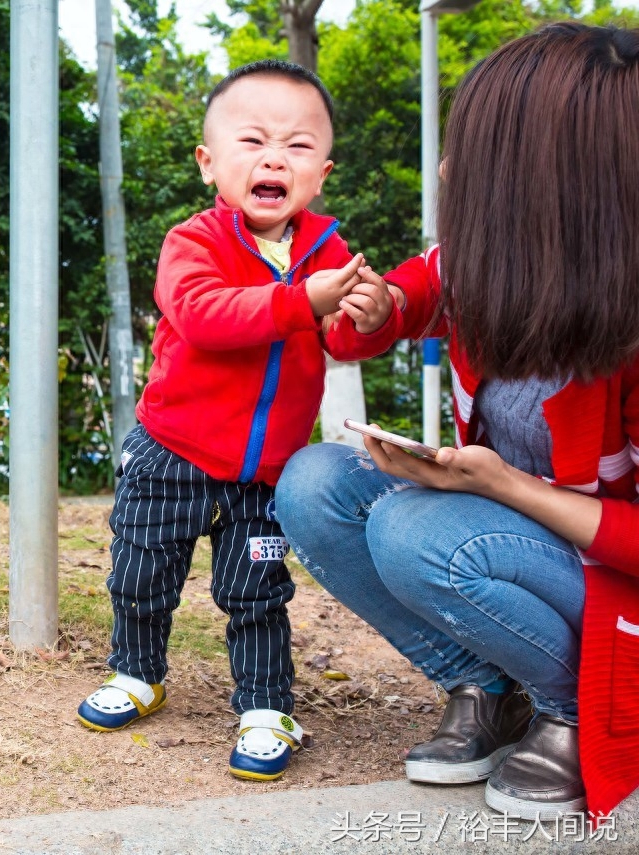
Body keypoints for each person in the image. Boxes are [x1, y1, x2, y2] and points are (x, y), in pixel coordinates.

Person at [275, 22, 639, 819]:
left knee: (416, 531)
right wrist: (378, 305)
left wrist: (505, 485)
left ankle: (574, 707)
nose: (445, 170)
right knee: (314, 483)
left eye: (472, 154)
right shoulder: (479, 267)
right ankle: (488, 684)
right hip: (524, 539)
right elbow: (373, 319)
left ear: (557, 178)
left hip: (616, 582)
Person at [75, 59, 400, 783]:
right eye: (252, 141)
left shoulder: (329, 252)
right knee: (141, 570)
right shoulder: (194, 242)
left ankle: (264, 704)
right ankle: (136, 670)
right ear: (209, 162)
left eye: (298, 145)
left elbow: (344, 338)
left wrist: (369, 319)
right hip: (171, 452)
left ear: (322, 172)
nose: (274, 158)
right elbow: (204, 316)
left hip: (265, 472)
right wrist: (301, 299)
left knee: (257, 590)